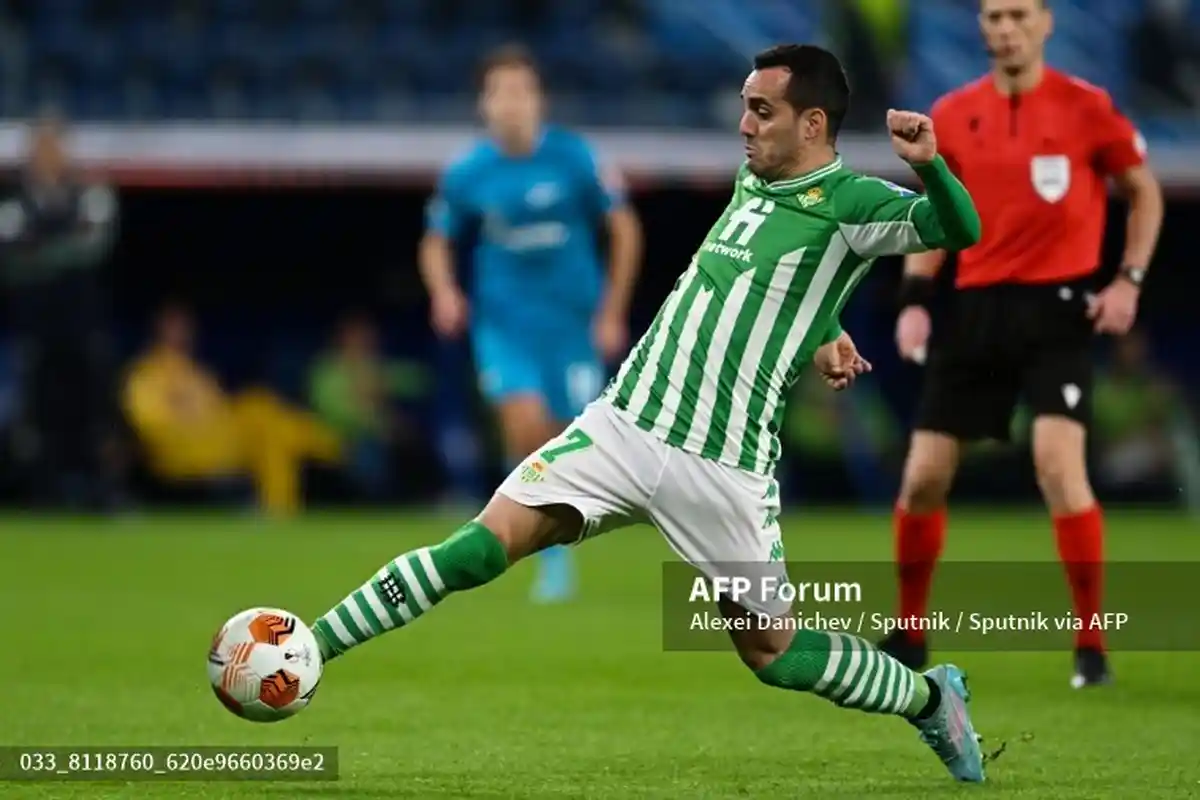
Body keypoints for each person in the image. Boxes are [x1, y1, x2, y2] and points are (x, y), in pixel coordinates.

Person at [310, 44, 989, 782]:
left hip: (723, 464)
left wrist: (928, 164)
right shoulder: (753, 180)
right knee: (476, 550)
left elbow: (959, 229)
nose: (743, 124)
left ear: (813, 122)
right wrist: (823, 328)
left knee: (777, 657)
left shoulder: (856, 204)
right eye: (744, 106)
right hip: (624, 425)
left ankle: (930, 698)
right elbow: (762, 280)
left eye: (761, 110)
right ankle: (309, 647)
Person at [881, 0, 1164, 689]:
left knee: (1059, 467)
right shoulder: (951, 112)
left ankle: (1090, 645)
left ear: (1046, 23)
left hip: (1057, 312)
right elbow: (936, 214)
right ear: (982, 27)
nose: (1004, 27)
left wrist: (1127, 281)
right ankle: (910, 632)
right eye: (993, 15)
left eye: (1018, 13)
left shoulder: (1087, 107)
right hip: (975, 309)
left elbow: (1144, 192)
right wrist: (917, 302)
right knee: (921, 477)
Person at [418, 45, 643, 603]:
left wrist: (613, 310)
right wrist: (445, 292)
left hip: (570, 324)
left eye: (521, 91)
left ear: (538, 99)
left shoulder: (575, 159)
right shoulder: (470, 170)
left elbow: (625, 230)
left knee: (564, 442)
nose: (511, 103)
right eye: (500, 92)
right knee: (523, 425)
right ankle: (544, 555)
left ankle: (553, 543)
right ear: (484, 103)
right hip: (505, 324)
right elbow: (436, 239)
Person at [0, 115, 125, 509]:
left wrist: (41, 251)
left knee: (92, 412)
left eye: (56, 148)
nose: (49, 156)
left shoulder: (90, 194)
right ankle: (44, 493)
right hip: (35, 326)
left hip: (83, 323)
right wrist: (61, 250)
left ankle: (99, 492)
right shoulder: (14, 202)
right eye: (42, 148)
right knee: (39, 413)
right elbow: (12, 259)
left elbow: (94, 246)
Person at [122, 304, 343, 517]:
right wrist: (186, 418)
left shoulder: (197, 372)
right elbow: (148, 422)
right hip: (184, 449)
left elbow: (218, 409)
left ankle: (280, 504)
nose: (180, 333)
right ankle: (326, 447)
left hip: (218, 440)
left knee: (261, 410)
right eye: (173, 326)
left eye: (184, 326)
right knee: (261, 415)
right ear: (157, 330)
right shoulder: (146, 373)